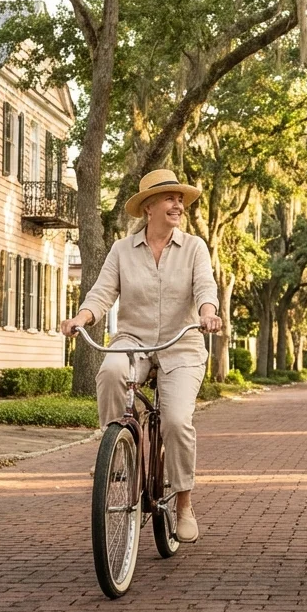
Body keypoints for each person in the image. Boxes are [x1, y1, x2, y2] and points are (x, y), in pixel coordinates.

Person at [61, 169, 223, 543]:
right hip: (134, 339)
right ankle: (115, 447)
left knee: (177, 421)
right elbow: (102, 293)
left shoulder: (194, 247)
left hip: (182, 342)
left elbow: (205, 287)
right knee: (112, 369)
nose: (178, 205)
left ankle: (183, 503)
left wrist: (208, 312)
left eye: (180, 199)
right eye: (170, 198)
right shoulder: (121, 249)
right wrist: (81, 318)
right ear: (148, 207)